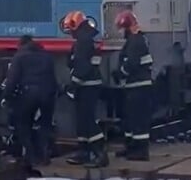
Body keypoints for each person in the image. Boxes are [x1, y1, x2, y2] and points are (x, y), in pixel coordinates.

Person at [0, 34, 57, 166]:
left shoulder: (19, 56)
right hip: (48, 94)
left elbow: (12, 80)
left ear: (20, 45)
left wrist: (6, 96)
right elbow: (53, 78)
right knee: (45, 125)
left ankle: (31, 156)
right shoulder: (47, 56)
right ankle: (44, 155)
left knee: (23, 124)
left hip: (28, 94)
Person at [62, 10, 108, 167]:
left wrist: (73, 84)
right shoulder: (88, 37)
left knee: (87, 120)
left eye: (70, 30)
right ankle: (84, 152)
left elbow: (82, 64)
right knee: (82, 120)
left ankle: (100, 153)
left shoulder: (83, 40)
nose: (70, 34)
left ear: (75, 26)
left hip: (86, 85)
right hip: (89, 83)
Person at [111, 10, 153, 161]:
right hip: (135, 85)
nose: (121, 32)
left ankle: (141, 151)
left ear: (127, 27)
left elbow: (132, 63)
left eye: (122, 28)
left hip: (139, 86)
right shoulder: (136, 39)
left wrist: (120, 73)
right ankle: (131, 147)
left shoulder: (135, 41)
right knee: (130, 119)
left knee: (138, 119)